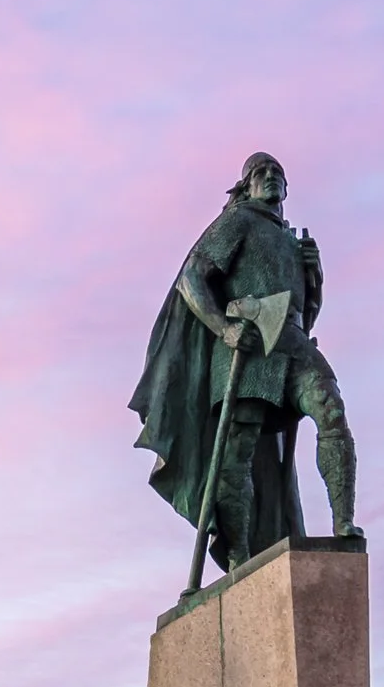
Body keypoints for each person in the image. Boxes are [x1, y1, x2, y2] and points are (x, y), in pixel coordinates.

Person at [130, 150, 358, 582]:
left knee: (331, 411)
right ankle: (238, 553)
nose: (270, 177)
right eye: (261, 173)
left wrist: (316, 278)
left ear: (286, 189)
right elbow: (192, 278)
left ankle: (343, 523)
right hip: (246, 345)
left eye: (277, 174)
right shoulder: (237, 222)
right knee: (238, 453)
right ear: (247, 185)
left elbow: (306, 313)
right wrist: (223, 328)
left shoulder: (294, 240)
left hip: (289, 340)